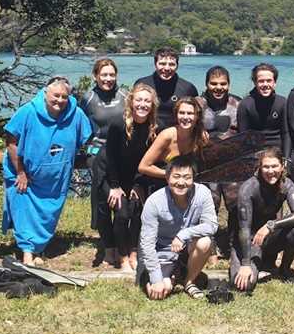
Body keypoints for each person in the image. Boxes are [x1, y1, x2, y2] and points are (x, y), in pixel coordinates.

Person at [2, 77, 92, 265]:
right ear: (45, 93)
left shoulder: (76, 114)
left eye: (64, 97)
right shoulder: (27, 111)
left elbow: (88, 140)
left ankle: (38, 249)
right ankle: (27, 251)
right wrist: (20, 171)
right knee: (24, 211)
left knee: (48, 214)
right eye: (55, 95)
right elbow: (10, 141)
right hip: (25, 174)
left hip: (56, 177)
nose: (59, 100)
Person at [138, 155, 217, 300]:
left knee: (205, 242)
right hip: (163, 253)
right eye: (176, 176)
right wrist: (156, 280)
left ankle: (189, 282)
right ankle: (173, 276)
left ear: (193, 178)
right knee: (160, 291)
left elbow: (212, 225)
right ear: (167, 178)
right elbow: (147, 243)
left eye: (187, 177)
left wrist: (184, 234)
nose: (181, 182)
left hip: (187, 249)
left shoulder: (203, 193)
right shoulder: (154, 202)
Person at [99, 83, 159, 271]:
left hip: (138, 177)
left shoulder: (155, 127)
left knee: (138, 212)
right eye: (139, 100)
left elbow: (151, 159)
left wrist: (138, 184)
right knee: (122, 213)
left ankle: (134, 252)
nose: (142, 105)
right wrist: (116, 187)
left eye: (147, 101)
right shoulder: (118, 124)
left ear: (152, 105)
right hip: (113, 175)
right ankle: (123, 256)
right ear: (131, 102)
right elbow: (111, 157)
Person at [231, 148, 294, 293]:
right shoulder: (248, 188)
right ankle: (257, 264)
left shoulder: (287, 184)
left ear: (282, 166)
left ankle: (284, 270)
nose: (270, 171)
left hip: (269, 237)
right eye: (266, 167)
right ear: (259, 167)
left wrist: (271, 225)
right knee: (243, 286)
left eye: (274, 166)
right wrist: (246, 263)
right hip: (248, 241)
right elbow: (244, 229)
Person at [79, 58, 127, 267]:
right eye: (104, 75)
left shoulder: (125, 95)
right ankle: (109, 250)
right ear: (95, 76)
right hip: (96, 154)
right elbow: (77, 124)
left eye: (111, 75)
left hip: (119, 154)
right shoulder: (88, 98)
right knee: (103, 202)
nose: (108, 79)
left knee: (121, 204)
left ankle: (122, 246)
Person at [195, 66, 243, 257]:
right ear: (206, 84)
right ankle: (210, 247)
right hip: (205, 164)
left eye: (223, 84)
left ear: (228, 84)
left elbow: (246, 133)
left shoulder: (238, 104)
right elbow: (184, 125)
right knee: (209, 205)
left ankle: (232, 244)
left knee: (236, 204)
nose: (218, 88)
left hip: (232, 164)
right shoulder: (197, 104)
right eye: (213, 84)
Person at [137, 98, 209, 185]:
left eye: (190, 113)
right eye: (181, 113)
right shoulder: (167, 136)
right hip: (159, 183)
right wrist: (173, 175)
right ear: (176, 115)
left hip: (184, 184)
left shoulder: (201, 137)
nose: (185, 117)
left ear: (197, 116)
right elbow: (143, 167)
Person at [134, 47, 198, 131]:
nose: (167, 68)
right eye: (162, 64)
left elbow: (197, 116)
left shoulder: (188, 88)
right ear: (155, 64)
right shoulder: (142, 84)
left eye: (171, 64)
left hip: (175, 137)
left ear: (177, 66)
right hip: (146, 134)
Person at [237, 63, 289, 156]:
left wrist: (286, 159)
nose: (265, 84)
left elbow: (286, 134)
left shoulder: (282, 102)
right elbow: (243, 137)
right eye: (261, 81)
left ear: (274, 82)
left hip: (277, 150)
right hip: (256, 152)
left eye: (269, 81)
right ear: (255, 82)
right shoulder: (245, 104)